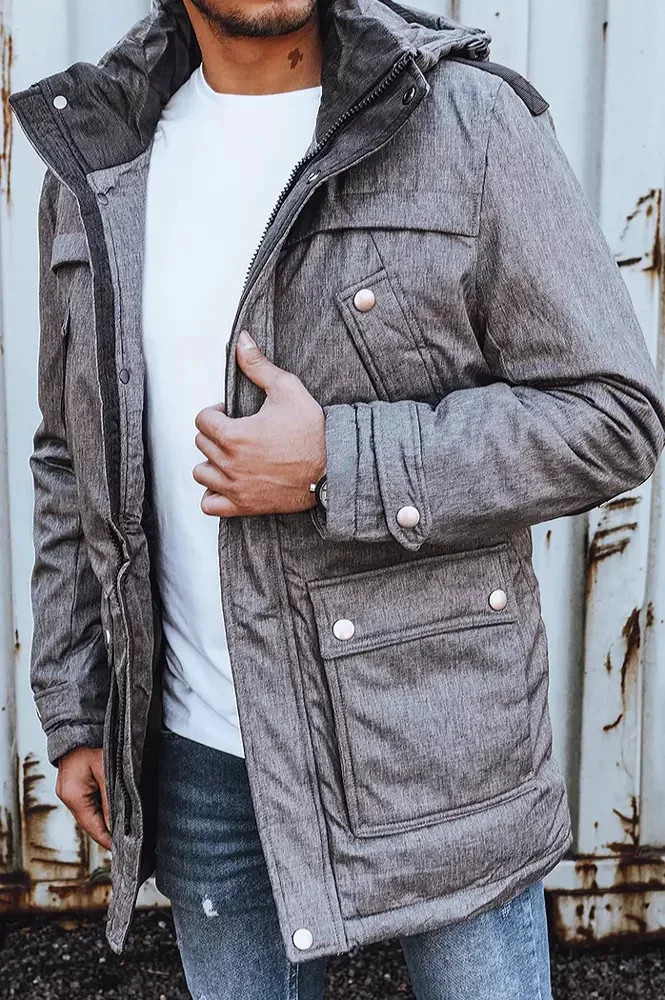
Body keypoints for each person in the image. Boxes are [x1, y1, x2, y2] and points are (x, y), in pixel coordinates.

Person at [9, 0, 665, 997]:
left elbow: (613, 415)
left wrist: (337, 463)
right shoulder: (98, 154)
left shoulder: (463, 119)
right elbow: (71, 454)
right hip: (200, 758)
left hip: (439, 760)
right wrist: (75, 705)